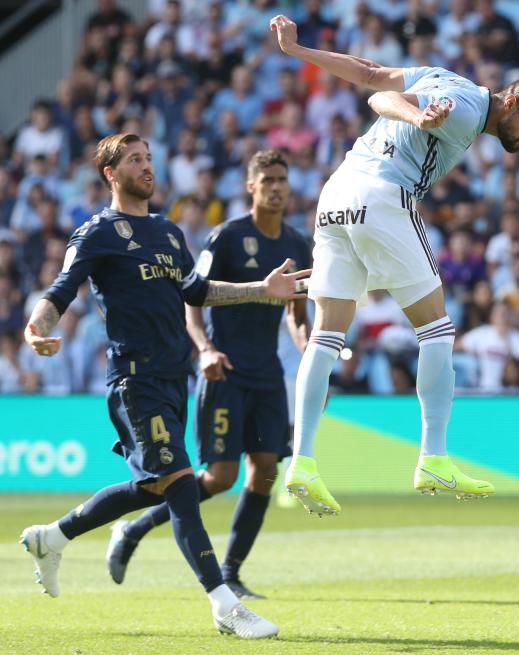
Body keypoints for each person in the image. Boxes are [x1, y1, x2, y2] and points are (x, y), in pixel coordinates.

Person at [267, 14, 519, 513]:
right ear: (511, 103)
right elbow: (379, 99)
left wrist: (297, 51)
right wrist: (416, 117)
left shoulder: (447, 77)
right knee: (438, 330)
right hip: (384, 194)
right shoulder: (469, 107)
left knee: (326, 335)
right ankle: (433, 456)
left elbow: (367, 71)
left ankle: (303, 461)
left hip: (336, 193)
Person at [19, 134, 307, 637]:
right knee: (180, 485)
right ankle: (224, 602)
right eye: (134, 160)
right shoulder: (97, 233)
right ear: (111, 174)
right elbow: (62, 287)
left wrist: (262, 289)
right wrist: (36, 325)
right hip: (136, 377)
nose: (147, 167)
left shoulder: (169, 233)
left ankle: (53, 536)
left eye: (149, 158)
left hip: (175, 377)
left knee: (153, 485)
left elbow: (198, 291)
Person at [105, 150, 311, 599]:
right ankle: (133, 528)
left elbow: (297, 315)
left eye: (283, 179)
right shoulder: (227, 237)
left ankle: (232, 572)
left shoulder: (297, 245)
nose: (277, 186)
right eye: (268, 179)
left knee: (265, 475)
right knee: (219, 477)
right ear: (250, 186)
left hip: (268, 376)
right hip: (225, 373)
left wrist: (312, 358)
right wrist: (206, 350)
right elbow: (190, 299)